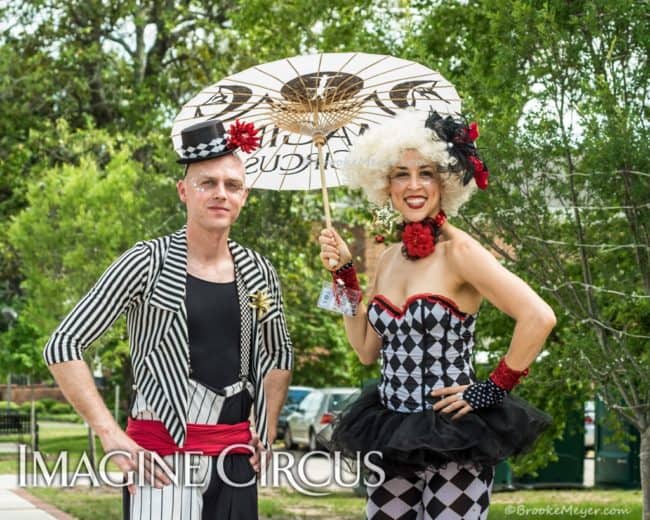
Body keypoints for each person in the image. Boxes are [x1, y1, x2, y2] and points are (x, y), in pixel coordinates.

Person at [43, 118, 293, 519]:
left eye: (232, 185)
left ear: (244, 196)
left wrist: (266, 425)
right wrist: (110, 434)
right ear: (183, 191)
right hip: (161, 459)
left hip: (236, 459)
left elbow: (278, 354)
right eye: (207, 183)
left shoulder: (259, 271)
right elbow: (63, 345)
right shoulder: (145, 262)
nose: (220, 194)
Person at [319, 110, 554, 519]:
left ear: (444, 181)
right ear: (385, 185)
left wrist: (492, 389)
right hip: (392, 435)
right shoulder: (389, 258)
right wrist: (343, 274)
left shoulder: (460, 252)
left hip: (455, 438)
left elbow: (539, 317)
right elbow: (364, 349)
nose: (413, 185)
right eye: (400, 174)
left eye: (425, 173)